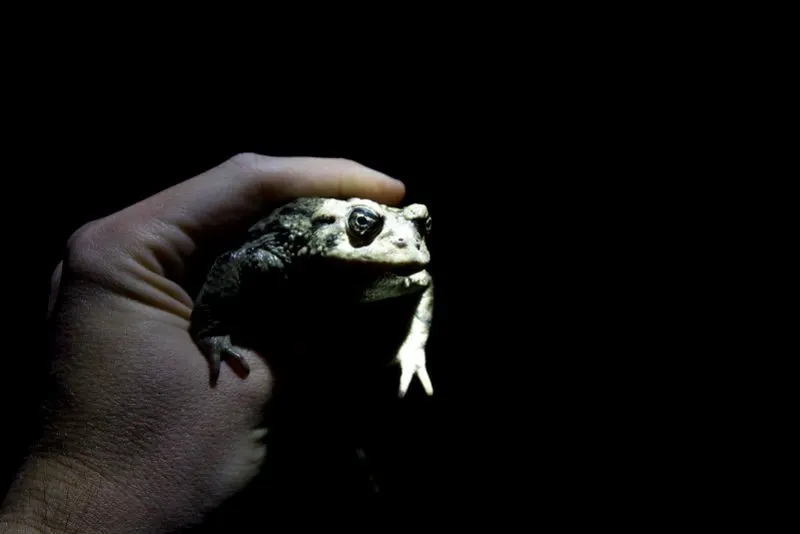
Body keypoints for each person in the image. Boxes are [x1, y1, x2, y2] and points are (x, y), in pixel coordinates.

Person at [0, 154, 406, 533]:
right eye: (366, 224)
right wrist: (210, 327)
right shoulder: (280, 254)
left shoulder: (391, 261)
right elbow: (235, 262)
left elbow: (416, 282)